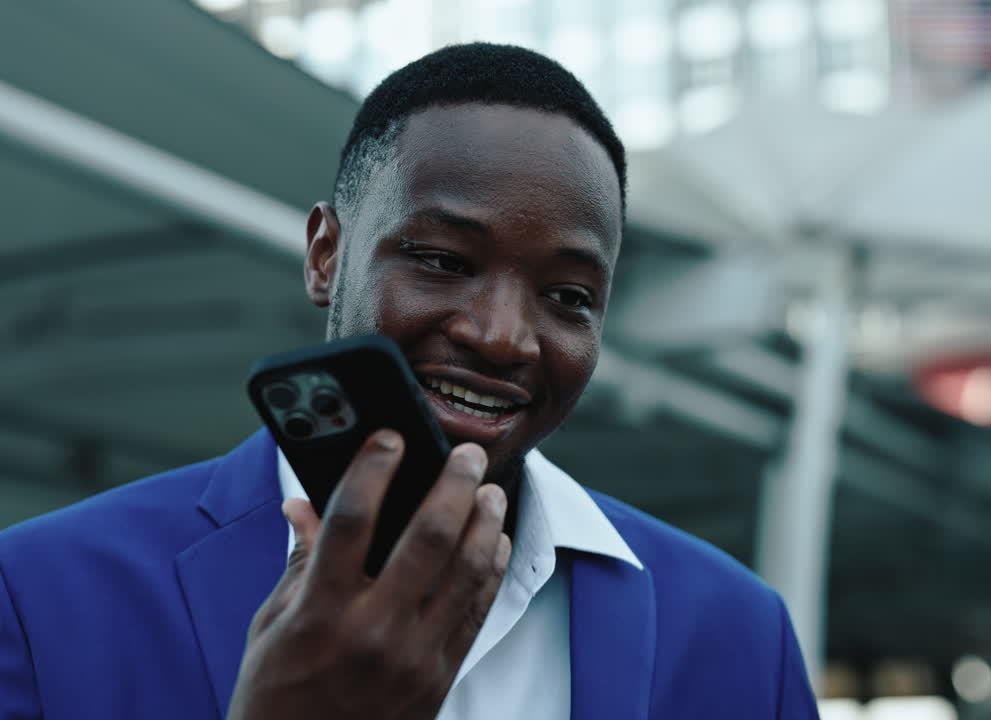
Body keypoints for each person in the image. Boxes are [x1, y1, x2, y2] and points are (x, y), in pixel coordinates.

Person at [0, 43, 818, 719]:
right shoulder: (40, 598)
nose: (502, 337)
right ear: (326, 254)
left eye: (568, 296)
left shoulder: (740, 637)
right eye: (441, 260)